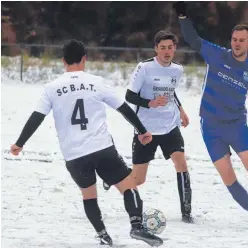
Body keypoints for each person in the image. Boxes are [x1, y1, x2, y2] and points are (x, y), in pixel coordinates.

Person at [10, 40, 163, 247]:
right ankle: (136, 226)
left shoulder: (51, 88)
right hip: (101, 148)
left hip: (73, 155)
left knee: (89, 195)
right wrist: (143, 130)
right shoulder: (96, 81)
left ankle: (102, 235)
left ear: (63, 61)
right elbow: (123, 108)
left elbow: (37, 117)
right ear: (84, 59)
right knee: (129, 186)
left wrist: (20, 143)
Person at [173, 2, 248, 229]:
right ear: (231, 40)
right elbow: (194, 40)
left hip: (236, 125)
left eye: (242, 40)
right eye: (234, 39)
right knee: (228, 176)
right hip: (211, 127)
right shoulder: (216, 54)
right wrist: (184, 17)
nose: (237, 43)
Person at [104, 30, 194, 223]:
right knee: (139, 179)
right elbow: (129, 96)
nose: (167, 51)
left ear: (175, 48)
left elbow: (171, 93)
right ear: (156, 49)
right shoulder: (144, 68)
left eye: (170, 47)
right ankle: (113, 178)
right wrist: (150, 103)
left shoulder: (177, 69)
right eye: (162, 48)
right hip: (146, 129)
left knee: (181, 163)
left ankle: (187, 212)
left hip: (170, 126)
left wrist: (181, 109)